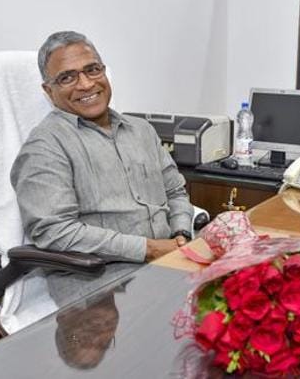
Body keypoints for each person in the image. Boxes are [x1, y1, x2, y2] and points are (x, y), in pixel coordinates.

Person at [11, 31, 193, 305]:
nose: (85, 84)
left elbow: (175, 191)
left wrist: (181, 234)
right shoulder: (44, 147)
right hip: (100, 288)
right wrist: (148, 249)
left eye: (92, 70)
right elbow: (53, 231)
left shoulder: (141, 130)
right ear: (49, 91)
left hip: (169, 265)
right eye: (67, 77)